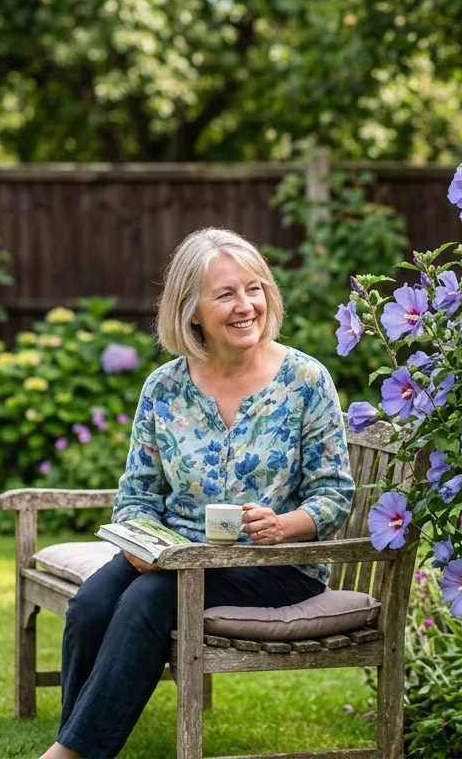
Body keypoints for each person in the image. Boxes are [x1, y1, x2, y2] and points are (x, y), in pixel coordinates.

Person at [42, 228, 355, 759]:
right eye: (226, 294)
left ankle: (70, 755)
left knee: (151, 599)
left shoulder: (306, 380)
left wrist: (285, 524)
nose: (245, 306)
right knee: (91, 605)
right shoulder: (164, 388)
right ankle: (79, 741)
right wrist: (141, 546)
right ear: (191, 311)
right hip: (173, 554)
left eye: (254, 289)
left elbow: (333, 494)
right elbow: (137, 495)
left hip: (272, 563)